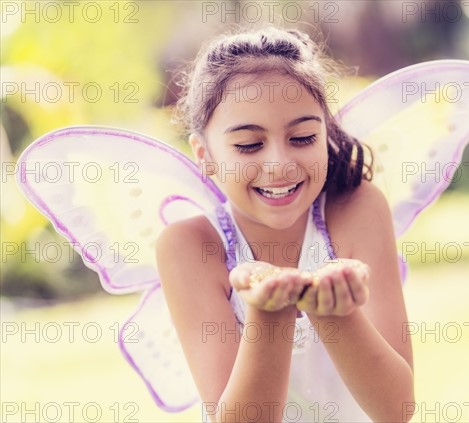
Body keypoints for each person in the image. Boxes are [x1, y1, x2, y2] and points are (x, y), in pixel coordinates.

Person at [155, 26, 414, 423]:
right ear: (205, 155)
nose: (279, 164)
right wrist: (268, 313)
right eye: (249, 145)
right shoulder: (190, 246)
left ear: (325, 135)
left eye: (303, 137)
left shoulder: (357, 210)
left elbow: (396, 410)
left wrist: (332, 312)